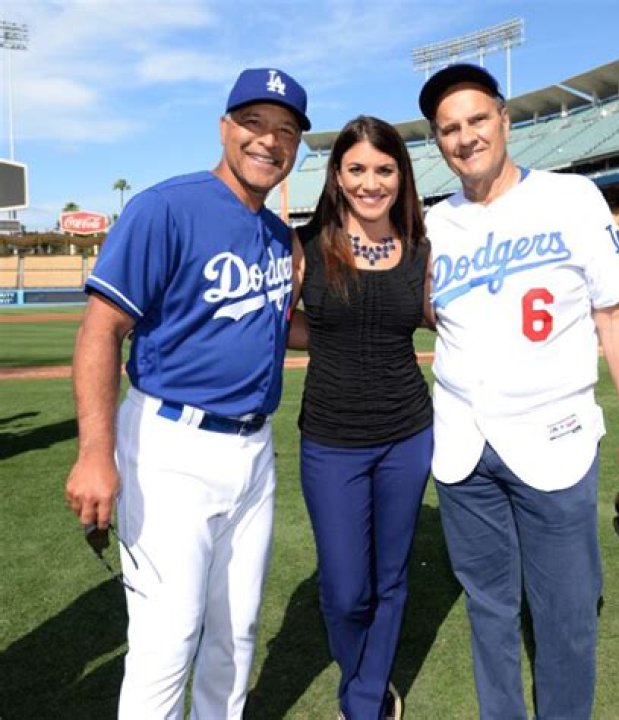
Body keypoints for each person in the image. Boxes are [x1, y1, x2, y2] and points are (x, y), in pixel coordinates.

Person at [417, 64, 619, 719]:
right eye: (449, 128)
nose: (465, 137)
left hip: (556, 440)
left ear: (504, 120)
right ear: (438, 141)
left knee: (567, 614)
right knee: (489, 610)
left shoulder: (572, 197)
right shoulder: (434, 225)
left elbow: (617, 316)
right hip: (464, 449)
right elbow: (426, 315)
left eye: (477, 119)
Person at [64, 67, 310, 719]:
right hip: (170, 447)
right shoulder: (164, 207)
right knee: (166, 641)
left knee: (236, 634)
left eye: (286, 130)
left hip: (253, 452)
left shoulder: (278, 237)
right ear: (225, 128)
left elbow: (276, 327)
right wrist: (94, 453)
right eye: (254, 123)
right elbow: (100, 330)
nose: (269, 140)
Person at [290, 115, 434, 720]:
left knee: (391, 579)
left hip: (408, 434)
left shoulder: (421, 247)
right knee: (347, 590)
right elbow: (282, 322)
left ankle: (365, 698)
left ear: (401, 176)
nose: (370, 183)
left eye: (384, 169)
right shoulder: (303, 244)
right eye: (357, 169)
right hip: (331, 439)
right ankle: (362, 679)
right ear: (337, 175)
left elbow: (444, 318)